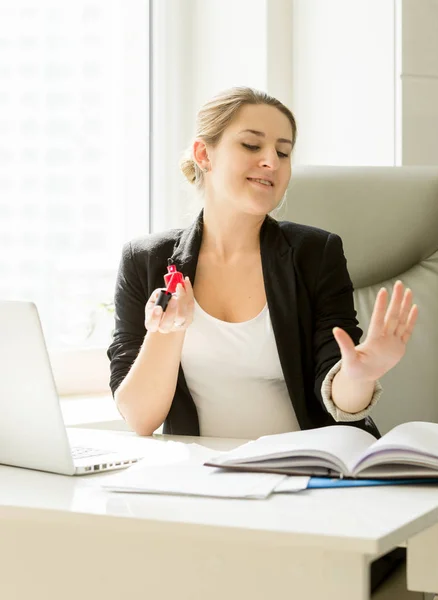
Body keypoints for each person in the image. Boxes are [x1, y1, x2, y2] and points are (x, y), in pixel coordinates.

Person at [107, 87, 418, 596]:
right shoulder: (146, 260)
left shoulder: (314, 253)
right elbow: (141, 418)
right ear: (205, 154)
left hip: (315, 486)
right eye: (252, 145)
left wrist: (359, 375)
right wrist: (168, 333)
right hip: (208, 487)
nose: (270, 161)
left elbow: (338, 395)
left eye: (284, 150)